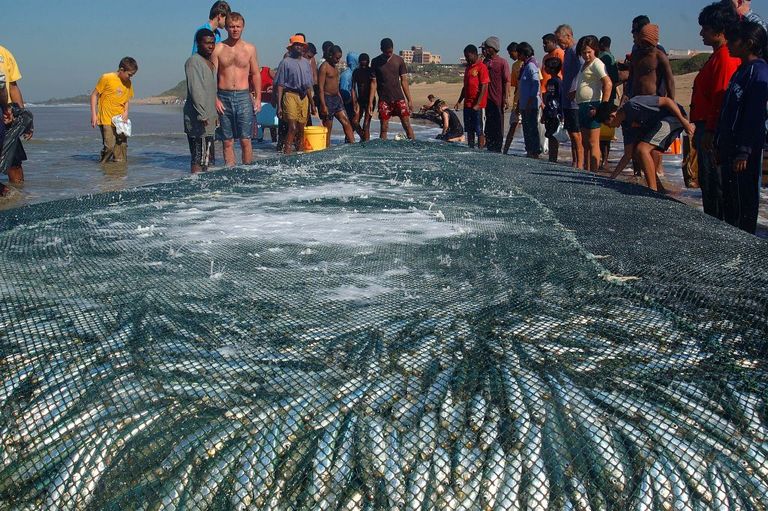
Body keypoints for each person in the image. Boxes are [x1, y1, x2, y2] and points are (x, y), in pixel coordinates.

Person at [716, 20, 768, 234]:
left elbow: (754, 117)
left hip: (743, 152)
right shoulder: (741, 71)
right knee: (729, 201)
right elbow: (729, 112)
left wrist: (743, 152)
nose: (728, 43)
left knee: (743, 203)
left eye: (733, 39)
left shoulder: (759, 73)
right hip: (730, 147)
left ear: (748, 43)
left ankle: (744, 248)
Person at [692, 2, 741, 220]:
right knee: (709, 184)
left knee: (715, 185)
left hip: (713, 131)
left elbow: (720, 98)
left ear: (720, 31)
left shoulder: (724, 58)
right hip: (708, 128)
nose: (701, 32)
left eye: (706, 28)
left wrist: (711, 132)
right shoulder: (718, 56)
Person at [598, 96, 694, 192]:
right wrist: (612, 178)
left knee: (642, 149)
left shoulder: (633, 104)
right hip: (657, 124)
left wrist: (684, 122)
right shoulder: (626, 125)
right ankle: (659, 189)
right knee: (638, 153)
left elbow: (667, 101)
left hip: (673, 116)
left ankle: (652, 190)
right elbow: (628, 155)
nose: (610, 127)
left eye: (607, 124)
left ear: (612, 116)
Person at [212, 12, 261, 166]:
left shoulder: (250, 49)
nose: (235, 29)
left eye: (238, 27)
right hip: (223, 96)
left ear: (243, 27)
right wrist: (215, 99)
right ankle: (230, 173)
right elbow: (211, 76)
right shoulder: (218, 48)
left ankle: (247, 172)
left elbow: (255, 74)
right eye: (232, 26)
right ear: (226, 27)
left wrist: (258, 98)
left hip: (243, 96)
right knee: (227, 141)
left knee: (246, 139)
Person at [572, 35, 612, 171]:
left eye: (589, 52)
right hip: (582, 105)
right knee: (585, 142)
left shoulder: (597, 63)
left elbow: (608, 83)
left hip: (593, 104)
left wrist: (604, 106)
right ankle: (587, 170)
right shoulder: (584, 65)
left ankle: (594, 173)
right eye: (583, 52)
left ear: (595, 50)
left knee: (593, 142)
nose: (586, 55)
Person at [90, 57, 137, 163]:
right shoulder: (106, 78)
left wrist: (126, 112)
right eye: (129, 74)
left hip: (120, 121)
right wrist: (93, 114)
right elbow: (94, 95)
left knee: (122, 149)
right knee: (110, 147)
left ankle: (118, 173)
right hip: (106, 119)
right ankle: (103, 164)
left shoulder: (128, 83)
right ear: (121, 69)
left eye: (132, 75)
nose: (130, 77)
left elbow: (126, 100)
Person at [275, 35, 316, 155]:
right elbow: (280, 85)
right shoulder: (285, 62)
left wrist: (312, 104)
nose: (299, 47)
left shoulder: (306, 63)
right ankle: (286, 155)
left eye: (301, 45)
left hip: (303, 97)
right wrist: (279, 106)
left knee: (301, 129)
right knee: (292, 127)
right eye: (296, 45)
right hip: (290, 95)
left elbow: (308, 85)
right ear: (291, 47)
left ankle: (299, 153)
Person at [185, 29, 218, 173]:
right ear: (198, 44)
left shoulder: (209, 62)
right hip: (199, 118)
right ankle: (195, 189)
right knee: (198, 157)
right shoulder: (193, 62)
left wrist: (214, 115)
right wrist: (202, 114)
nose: (210, 46)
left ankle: (205, 190)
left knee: (207, 158)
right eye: (207, 43)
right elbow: (195, 90)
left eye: (212, 43)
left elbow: (210, 92)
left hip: (209, 117)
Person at [369, 38, 415, 140]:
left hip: (399, 98)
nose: (389, 54)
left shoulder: (399, 60)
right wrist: (370, 102)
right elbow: (373, 83)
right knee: (384, 127)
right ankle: (383, 149)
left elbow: (404, 81)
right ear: (381, 49)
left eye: (391, 51)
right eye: (387, 52)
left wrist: (410, 100)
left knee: (407, 124)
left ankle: (414, 145)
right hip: (384, 100)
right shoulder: (375, 62)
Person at [0, 44, 33, 183]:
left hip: (7, 114)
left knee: (14, 162)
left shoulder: (5, 54)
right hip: (4, 109)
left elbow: (12, 87)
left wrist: (25, 119)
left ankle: (18, 198)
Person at [556, 24, 583, 168]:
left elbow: (582, 69)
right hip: (567, 99)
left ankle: (580, 163)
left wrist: (575, 89)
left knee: (576, 134)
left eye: (560, 40)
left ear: (569, 36)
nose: (559, 44)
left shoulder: (575, 50)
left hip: (574, 100)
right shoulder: (567, 52)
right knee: (572, 134)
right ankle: (574, 161)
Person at [318, 45, 356, 147]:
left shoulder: (335, 67)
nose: (338, 60)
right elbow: (320, 88)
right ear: (330, 55)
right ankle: (326, 148)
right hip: (327, 99)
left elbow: (336, 83)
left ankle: (353, 144)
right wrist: (323, 105)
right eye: (337, 58)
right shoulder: (324, 67)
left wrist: (339, 97)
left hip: (336, 99)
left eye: (339, 58)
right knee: (328, 126)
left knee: (346, 121)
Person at [454, 44, 489, 149]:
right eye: (465, 57)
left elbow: (484, 85)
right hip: (467, 105)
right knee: (469, 130)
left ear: (474, 54)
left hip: (478, 105)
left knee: (479, 129)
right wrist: (459, 101)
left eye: (468, 56)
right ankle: (471, 148)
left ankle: (480, 150)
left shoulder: (481, 67)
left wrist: (478, 104)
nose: (466, 59)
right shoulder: (468, 68)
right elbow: (465, 87)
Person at [481, 37, 510, 153]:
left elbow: (507, 80)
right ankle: (489, 145)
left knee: (498, 124)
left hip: (498, 99)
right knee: (488, 123)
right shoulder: (485, 62)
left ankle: (497, 148)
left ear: (492, 48)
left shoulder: (502, 62)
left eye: (486, 48)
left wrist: (506, 98)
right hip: (487, 100)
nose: (484, 51)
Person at [517, 42, 542, 158]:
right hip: (524, 104)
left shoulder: (531, 66)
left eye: (519, 53)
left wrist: (530, 101)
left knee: (531, 128)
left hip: (530, 105)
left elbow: (536, 84)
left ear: (523, 53)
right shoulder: (525, 66)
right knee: (527, 129)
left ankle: (534, 151)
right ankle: (529, 150)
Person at [541, 57, 564, 163]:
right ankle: (551, 157)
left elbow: (560, 97)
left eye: (547, 66)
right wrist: (544, 114)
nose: (545, 68)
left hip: (555, 114)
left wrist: (561, 114)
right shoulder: (550, 81)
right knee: (549, 134)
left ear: (553, 69)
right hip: (549, 112)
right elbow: (548, 99)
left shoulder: (558, 82)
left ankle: (553, 158)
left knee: (554, 135)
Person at [503, 43, 522, 154]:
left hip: (527, 101)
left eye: (511, 54)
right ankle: (505, 149)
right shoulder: (515, 65)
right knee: (513, 125)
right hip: (517, 101)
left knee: (529, 128)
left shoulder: (529, 63)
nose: (510, 56)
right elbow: (515, 85)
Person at [340, 52, 364, 140]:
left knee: (353, 123)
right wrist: (350, 101)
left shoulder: (356, 72)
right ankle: (358, 138)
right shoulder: (346, 75)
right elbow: (344, 90)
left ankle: (352, 139)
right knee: (352, 123)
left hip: (355, 102)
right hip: (349, 104)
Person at [351, 53, 374, 141]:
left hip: (369, 100)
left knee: (366, 124)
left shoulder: (371, 71)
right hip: (360, 100)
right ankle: (363, 138)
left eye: (365, 64)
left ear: (368, 62)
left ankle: (366, 143)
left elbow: (374, 85)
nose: (364, 66)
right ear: (359, 63)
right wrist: (354, 102)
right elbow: (352, 88)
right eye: (362, 64)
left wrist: (371, 103)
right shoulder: (356, 72)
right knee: (355, 122)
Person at [598, 36, 620, 103]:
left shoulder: (603, 57)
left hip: (603, 92)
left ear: (601, 44)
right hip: (610, 92)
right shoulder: (611, 57)